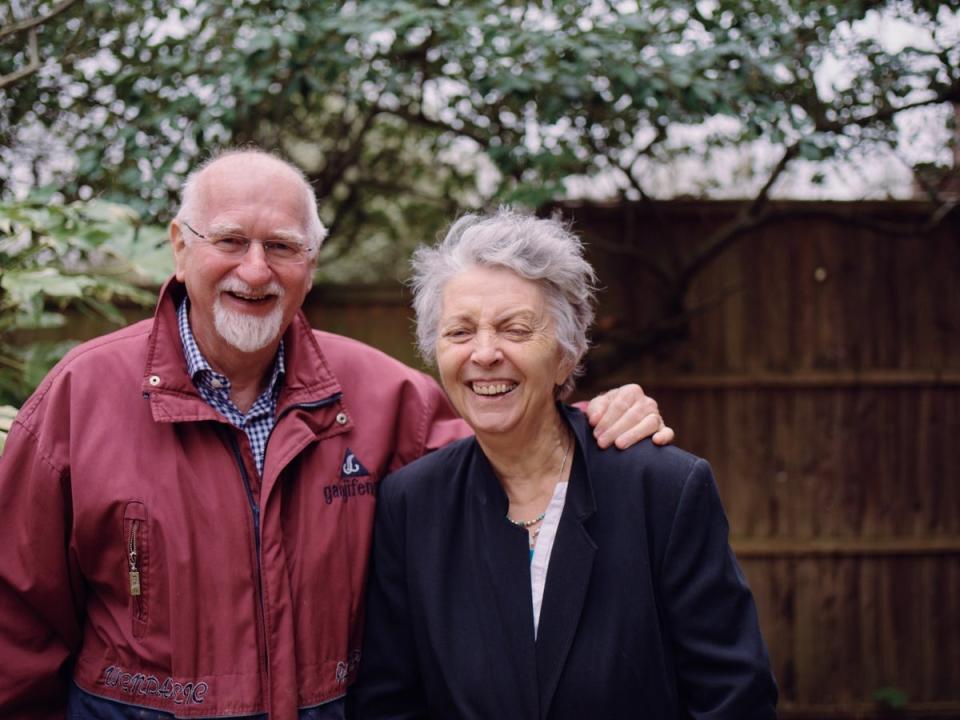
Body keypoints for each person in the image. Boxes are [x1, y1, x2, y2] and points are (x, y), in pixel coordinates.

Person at [0, 150, 672, 720]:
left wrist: (594, 421)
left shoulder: (388, 399)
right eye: (231, 240)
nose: (256, 270)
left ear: (312, 264)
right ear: (181, 247)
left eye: (283, 247)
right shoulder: (80, 397)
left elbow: (513, 455)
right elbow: (16, 620)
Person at [349, 210, 778, 719]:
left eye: (515, 328)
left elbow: (734, 700)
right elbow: (388, 704)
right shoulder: (411, 505)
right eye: (460, 332)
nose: (484, 354)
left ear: (566, 355)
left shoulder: (662, 489)